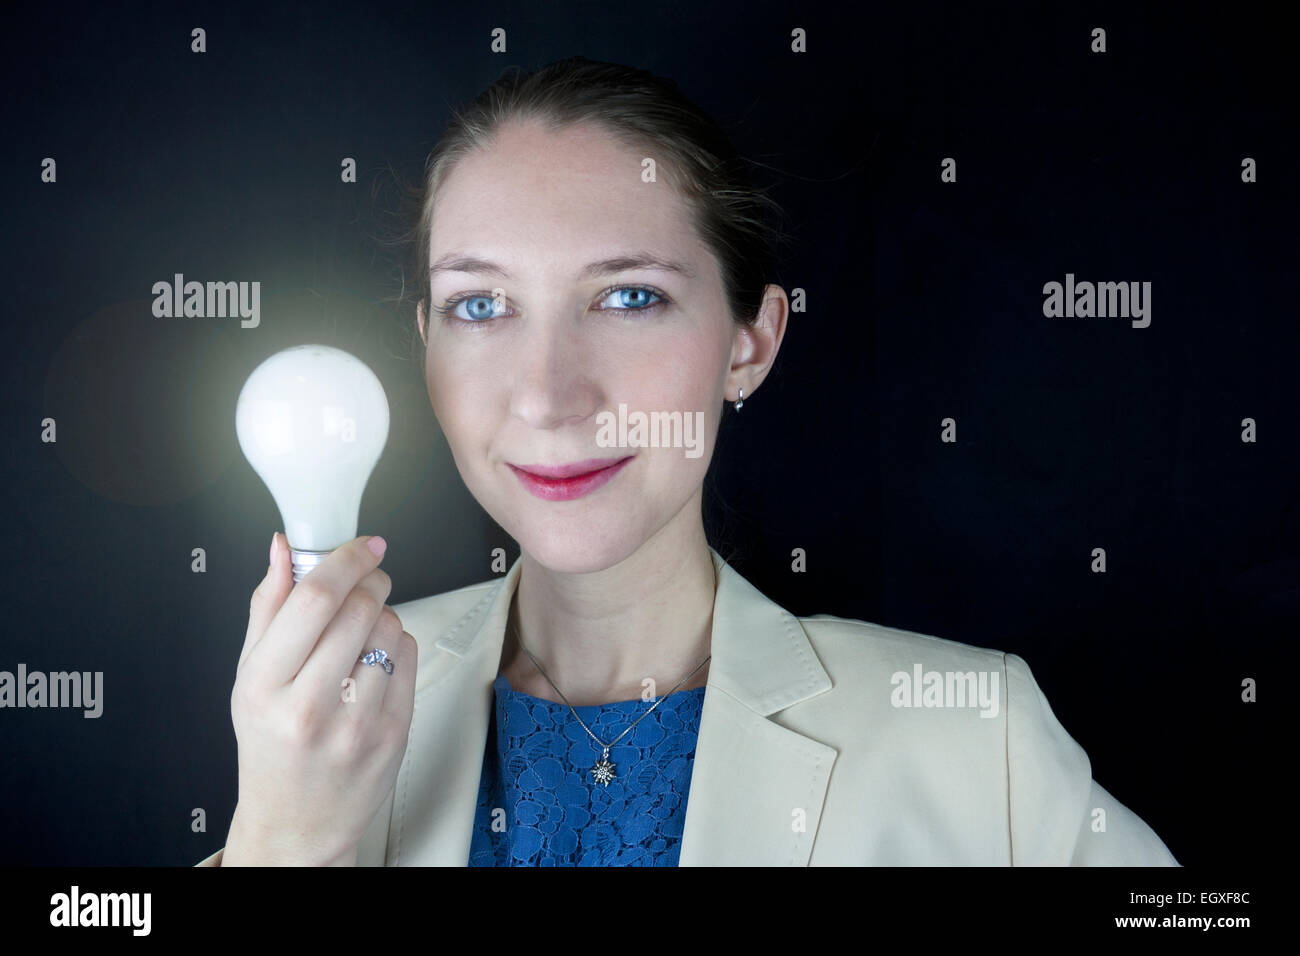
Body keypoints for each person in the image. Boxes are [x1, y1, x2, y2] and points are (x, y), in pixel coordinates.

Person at [197, 56, 1178, 866]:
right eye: (481, 305)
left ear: (748, 342)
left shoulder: (974, 741)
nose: (547, 394)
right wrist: (289, 838)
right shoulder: (313, 718)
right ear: (425, 345)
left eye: (628, 297)